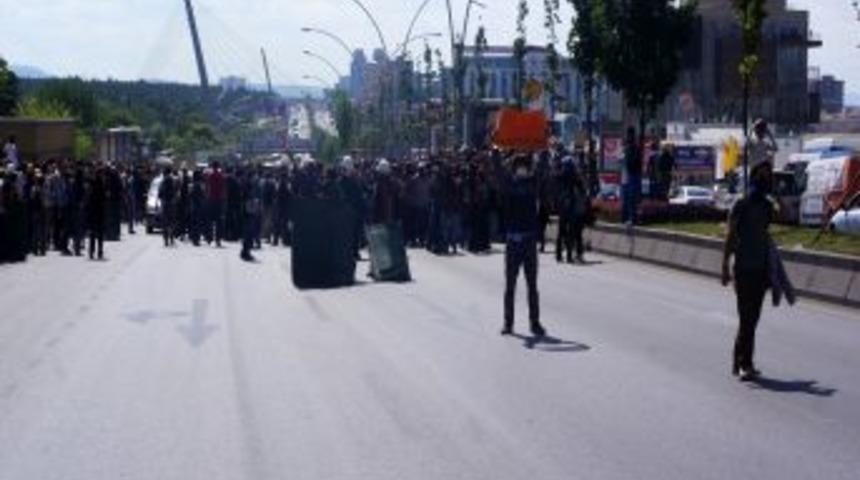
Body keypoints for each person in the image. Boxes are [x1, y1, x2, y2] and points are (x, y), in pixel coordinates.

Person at [722, 161, 775, 382]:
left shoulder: (767, 206)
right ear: (753, 177)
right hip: (743, 268)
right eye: (763, 176)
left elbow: (765, 233)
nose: (767, 180)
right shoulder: (740, 204)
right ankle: (744, 364)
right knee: (747, 318)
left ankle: (740, 361)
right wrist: (724, 266)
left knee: (753, 319)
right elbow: (730, 236)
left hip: (761, 269)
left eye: (769, 176)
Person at [496, 153, 547, 338]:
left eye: (525, 165)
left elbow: (542, 168)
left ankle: (535, 323)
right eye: (519, 165)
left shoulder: (532, 184)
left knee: (532, 286)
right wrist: (495, 148)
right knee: (510, 286)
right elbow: (498, 171)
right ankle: (508, 323)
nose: (522, 168)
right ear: (513, 168)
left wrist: (543, 147)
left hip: (529, 242)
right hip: (513, 242)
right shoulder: (508, 185)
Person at [622, 127, 642, 226]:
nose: (627, 137)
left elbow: (634, 163)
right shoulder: (628, 147)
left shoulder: (633, 148)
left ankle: (632, 218)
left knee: (631, 198)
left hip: (632, 175)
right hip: (627, 176)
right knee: (627, 198)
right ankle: (627, 218)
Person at [86, 167, 107, 260]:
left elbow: (89, 199)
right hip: (98, 213)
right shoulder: (100, 185)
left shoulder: (92, 184)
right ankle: (99, 252)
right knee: (99, 235)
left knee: (93, 235)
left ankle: (92, 252)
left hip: (93, 213)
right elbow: (103, 199)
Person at [159, 168, 177, 247]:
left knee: (165, 223)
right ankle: (172, 238)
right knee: (172, 222)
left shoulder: (163, 182)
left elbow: (160, 193)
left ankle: (166, 240)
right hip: (171, 203)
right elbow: (175, 192)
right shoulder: (173, 181)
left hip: (165, 203)